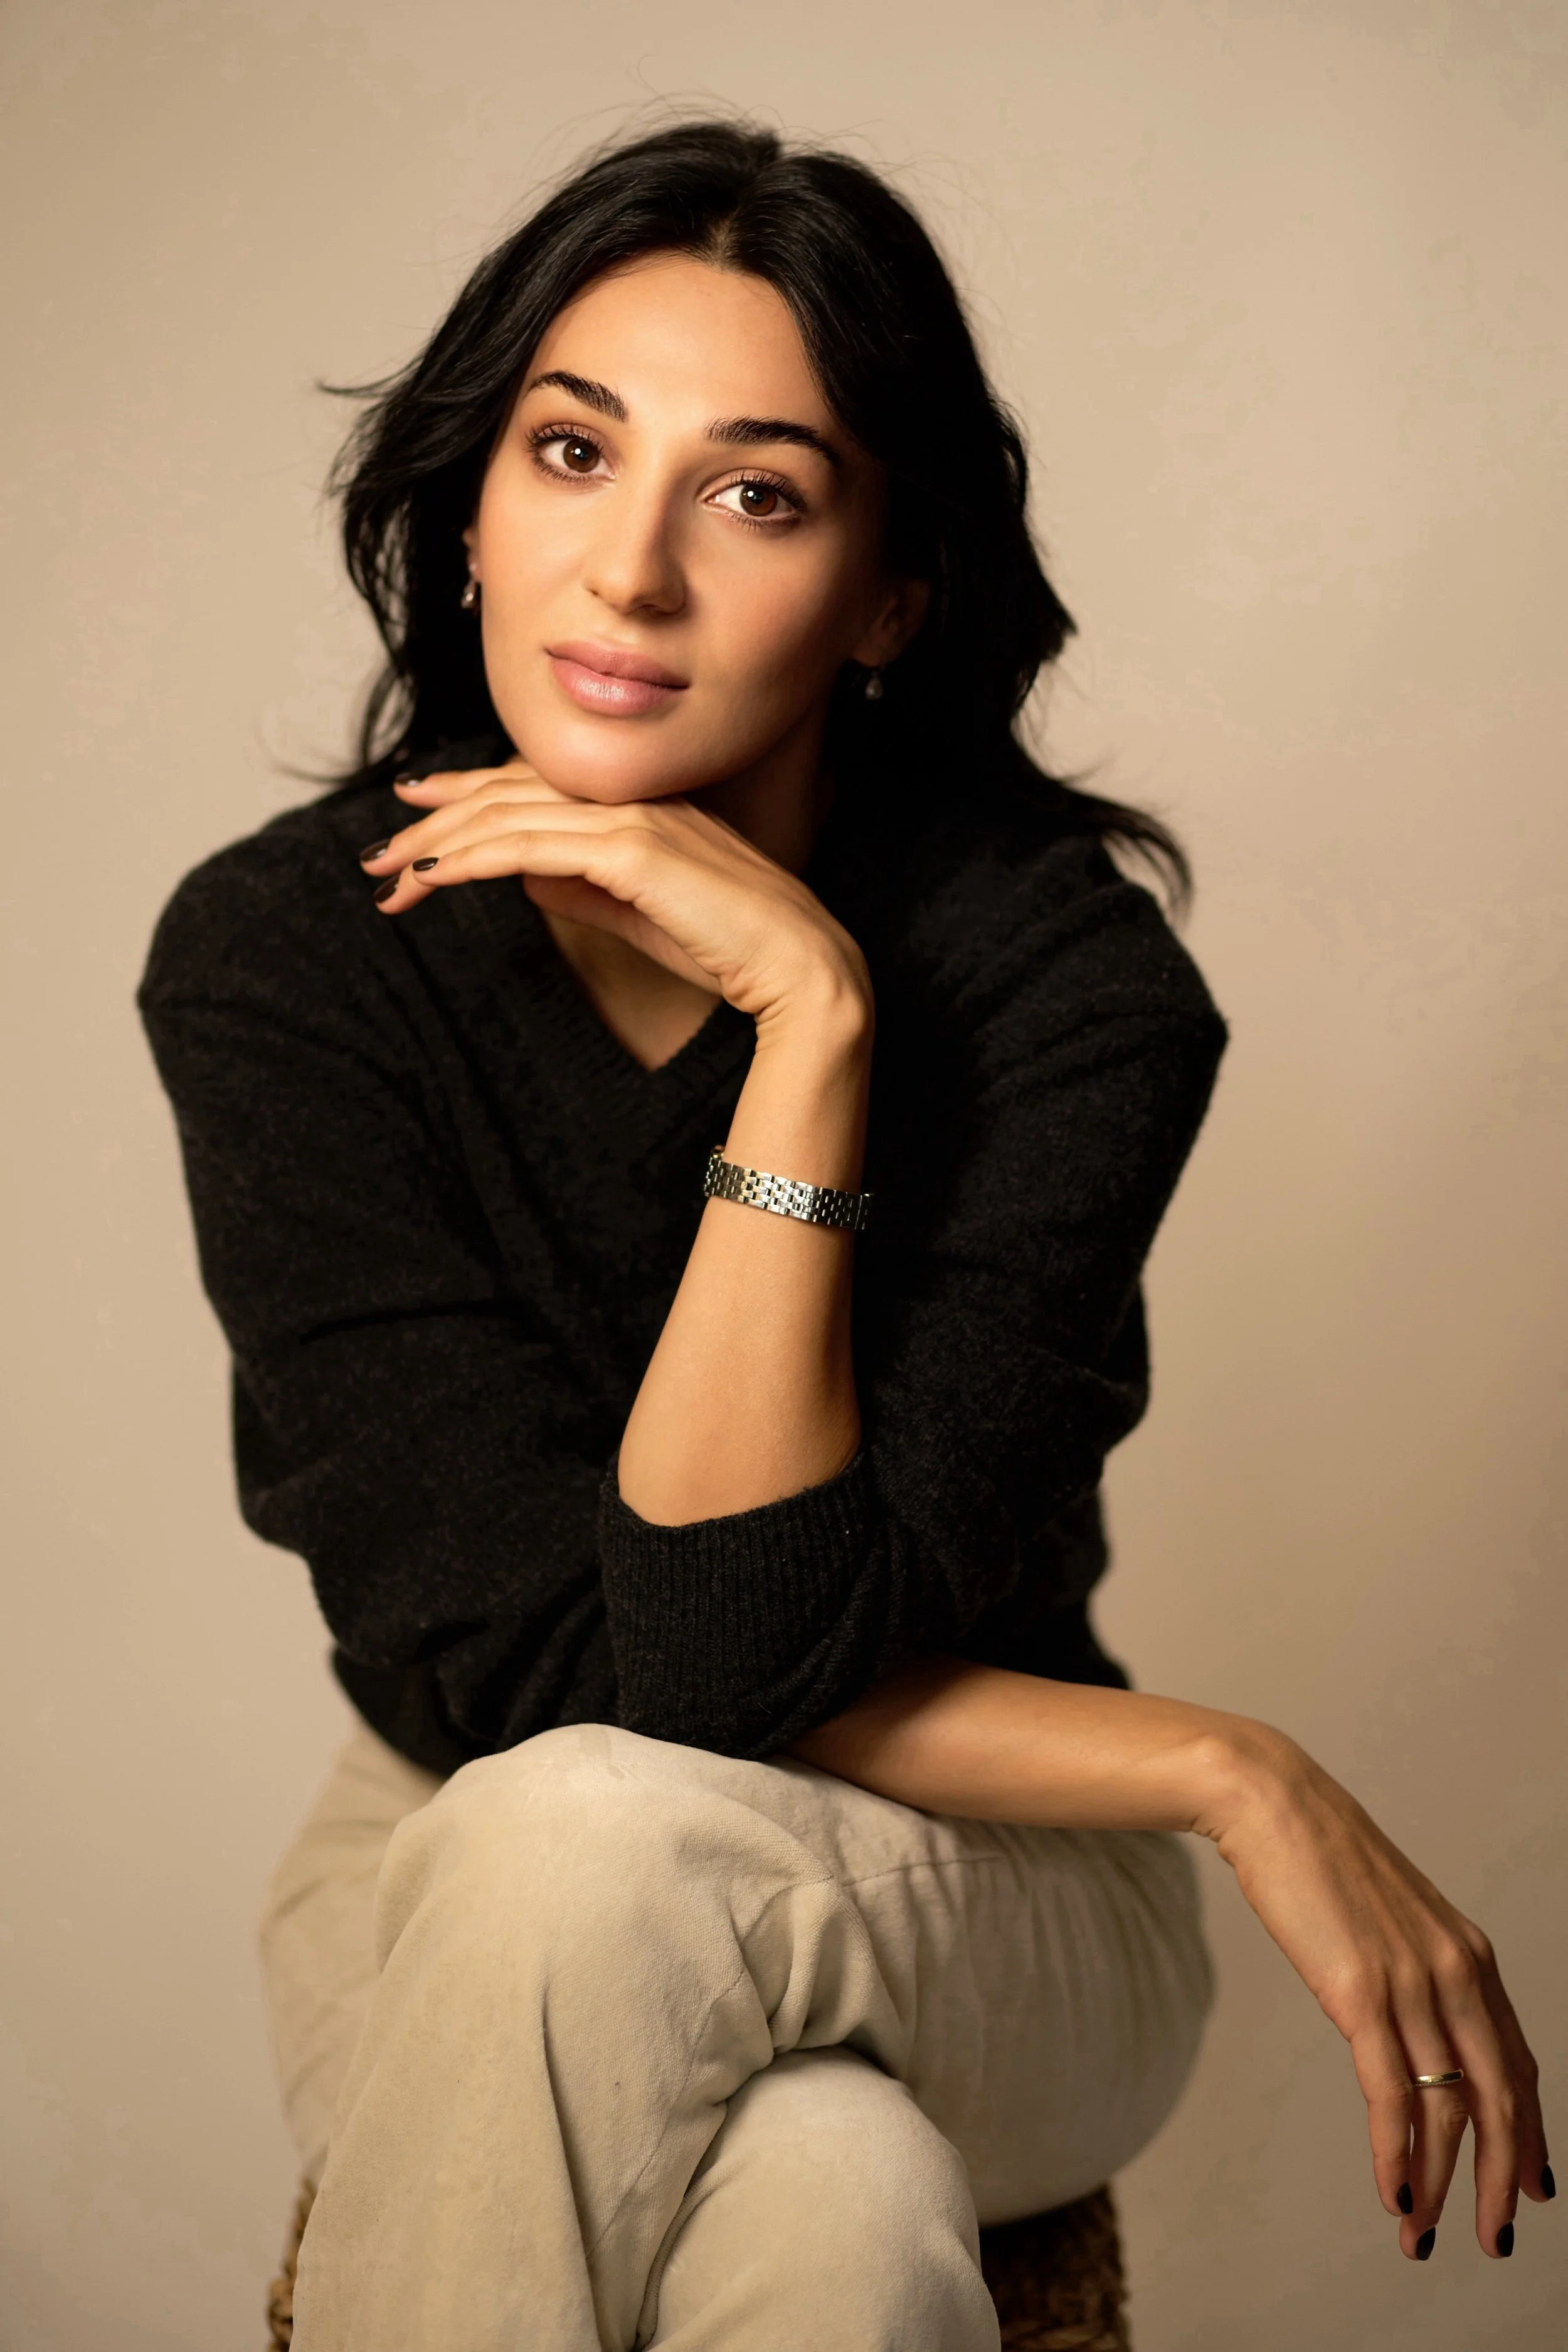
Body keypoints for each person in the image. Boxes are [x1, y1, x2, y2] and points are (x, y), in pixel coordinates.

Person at [138, 119, 1549, 2351]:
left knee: (584, 1836)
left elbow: (710, 1674)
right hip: (444, 1825)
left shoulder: (1063, 992)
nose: (629, 571)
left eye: (757, 495)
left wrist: (811, 1021)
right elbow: (596, 1680)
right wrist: (1222, 1763)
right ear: (468, 507)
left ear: (891, 593)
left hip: (988, 1881)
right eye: (572, 452)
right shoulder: (293, 960)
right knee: (822, 2187)